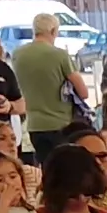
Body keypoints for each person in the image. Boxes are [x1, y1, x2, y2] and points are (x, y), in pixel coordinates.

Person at [17, 13, 85, 142]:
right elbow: (83, 92)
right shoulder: (60, 55)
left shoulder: (18, 54)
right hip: (61, 124)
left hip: (33, 124)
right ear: (53, 31)